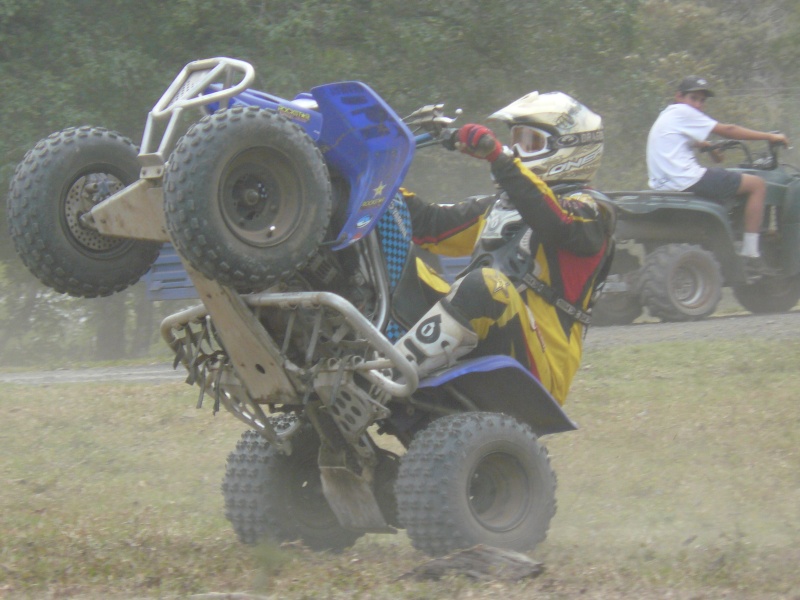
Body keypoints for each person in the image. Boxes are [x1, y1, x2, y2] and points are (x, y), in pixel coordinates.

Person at [391, 91, 614, 405]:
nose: (520, 150)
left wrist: (498, 158)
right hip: (485, 340)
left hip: (541, 368)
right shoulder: (502, 205)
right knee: (399, 265)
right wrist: (380, 182)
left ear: (570, 150)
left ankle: (390, 376)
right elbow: (428, 225)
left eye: (532, 142)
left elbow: (555, 222)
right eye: (517, 140)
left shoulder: (594, 212)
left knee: (486, 284)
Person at [646, 75, 789, 274]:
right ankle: (751, 254)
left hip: (664, 183)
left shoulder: (669, 114)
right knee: (757, 185)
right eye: (693, 98)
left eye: (702, 100)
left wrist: (706, 145)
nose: (697, 104)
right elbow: (729, 130)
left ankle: (736, 238)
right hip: (687, 179)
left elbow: (677, 139)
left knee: (724, 176)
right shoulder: (684, 112)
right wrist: (770, 136)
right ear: (679, 96)